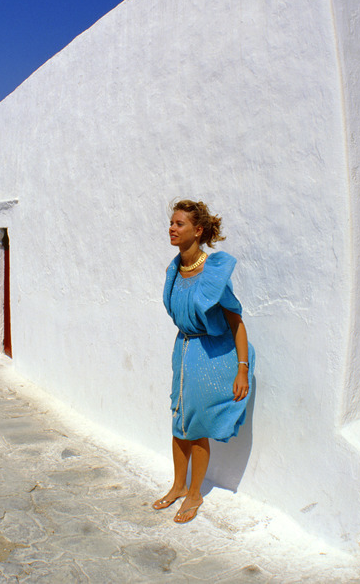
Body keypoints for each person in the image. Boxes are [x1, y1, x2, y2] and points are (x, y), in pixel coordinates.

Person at [153, 199, 254, 524]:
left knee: (197, 429)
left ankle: (195, 493)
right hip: (183, 353)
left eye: (179, 223)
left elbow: (236, 322)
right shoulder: (174, 270)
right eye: (171, 222)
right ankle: (178, 486)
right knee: (179, 423)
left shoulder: (213, 273)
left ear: (198, 231)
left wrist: (242, 370)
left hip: (210, 359)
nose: (172, 228)